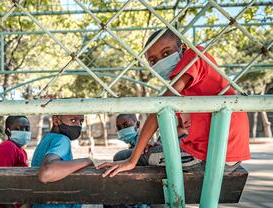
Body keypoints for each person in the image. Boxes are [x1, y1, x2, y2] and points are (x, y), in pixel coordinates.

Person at [100, 29, 250, 179]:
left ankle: (149, 203)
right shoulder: (187, 88)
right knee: (149, 154)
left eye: (166, 53)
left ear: (182, 48)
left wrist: (131, 160)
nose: (160, 62)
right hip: (224, 154)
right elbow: (181, 128)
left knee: (122, 156)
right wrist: (157, 144)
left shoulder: (195, 55)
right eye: (153, 60)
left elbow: (160, 109)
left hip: (211, 157)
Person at [32, 115, 104, 208]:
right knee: (99, 203)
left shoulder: (46, 140)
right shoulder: (62, 140)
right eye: (73, 120)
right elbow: (46, 173)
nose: (78, 125)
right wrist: (87, 161)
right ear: (56, 120)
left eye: (81, 121)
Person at [106, 115, 171, 208]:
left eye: (126, 125)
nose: (122, 130)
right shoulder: (137, 148)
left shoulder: (147, 148)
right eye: (119, 127)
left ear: (138, 125)